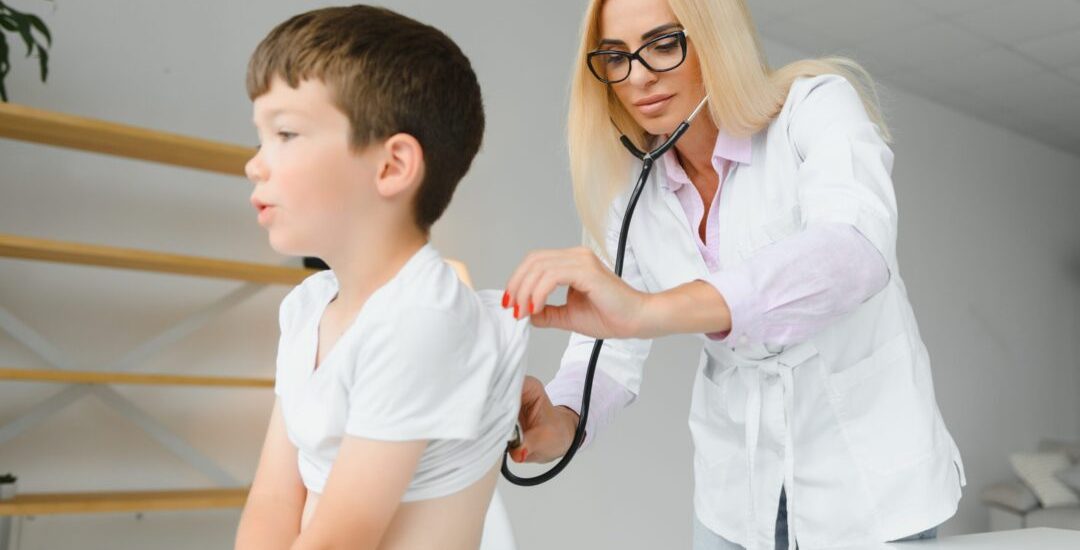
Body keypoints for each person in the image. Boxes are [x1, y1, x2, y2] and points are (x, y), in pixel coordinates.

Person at [502, 0, 965, 548]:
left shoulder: (814, 109)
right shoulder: (628, 195)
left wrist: (651, 311)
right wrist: (562, 419)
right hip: (736, 492)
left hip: (868, 481)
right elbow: (606, 349)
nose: (639, 77)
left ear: (714, 37)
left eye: (663, 44)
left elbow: (853, 252)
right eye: (616, 57)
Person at [234, 5, 529, 549]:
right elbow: (272, 501)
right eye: (261, 138)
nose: (256, 164)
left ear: (392, 167)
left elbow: (343, 537)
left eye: (286, 134)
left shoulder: (421, 318)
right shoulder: (308, 308)